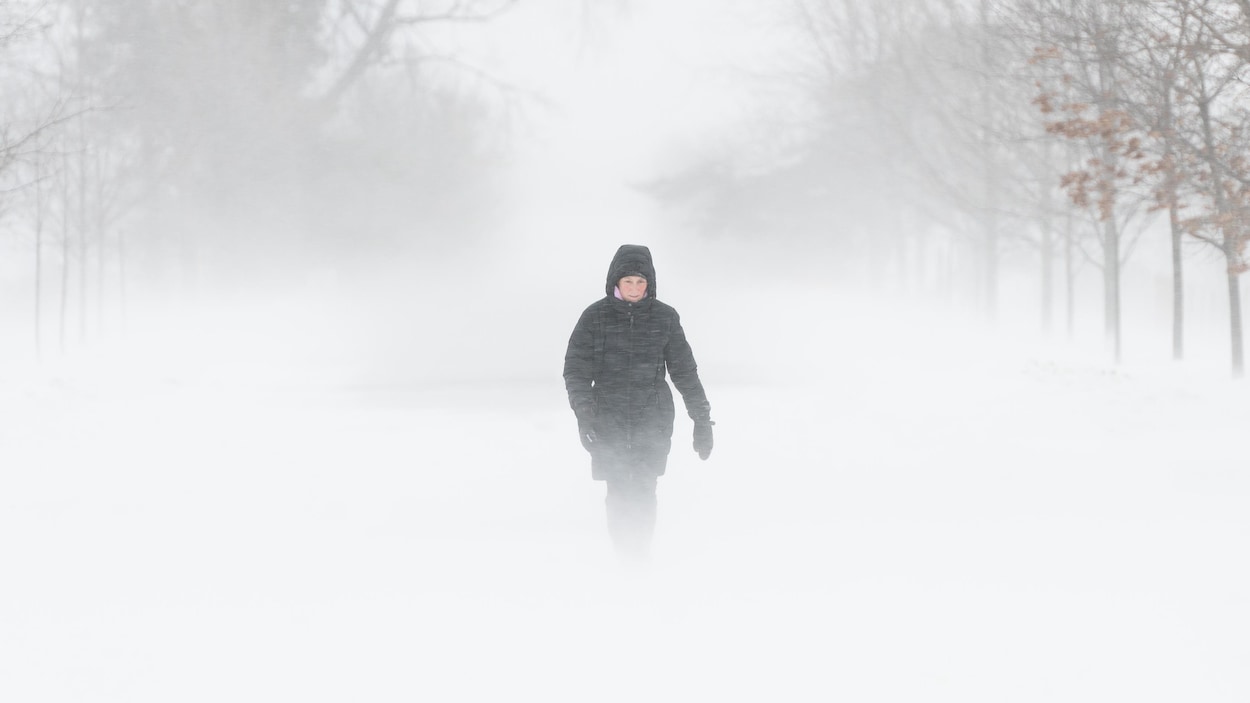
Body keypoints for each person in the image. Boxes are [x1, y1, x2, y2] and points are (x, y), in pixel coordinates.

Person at [563, 244, 714, 559]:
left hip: (652, 418)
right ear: (615, 283)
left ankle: (640, 556)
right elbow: (576, 372)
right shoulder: (595, 317)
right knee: (618, 488)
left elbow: (684, 372)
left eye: (640, 282)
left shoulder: (665, 318)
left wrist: (701, 419)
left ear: (650, 284)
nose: (634, 288)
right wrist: (585, 414)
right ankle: (624, 557)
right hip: (607, 418)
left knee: (645, 488)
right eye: (628, 282)